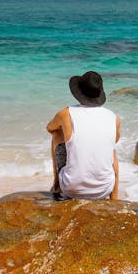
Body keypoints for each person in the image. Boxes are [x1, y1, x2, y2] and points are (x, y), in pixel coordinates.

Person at [46, 70, 120, 200]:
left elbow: (50, 128)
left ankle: (57, 184)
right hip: (104, 189)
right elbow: (115, 140)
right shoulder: (114, 117)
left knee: (57, 134)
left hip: (71, 189)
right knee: (111, 148)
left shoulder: (66, 113)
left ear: (79, 92)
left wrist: (67, 131)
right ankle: (114, 195)